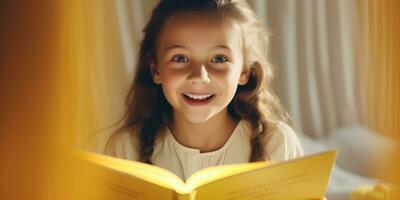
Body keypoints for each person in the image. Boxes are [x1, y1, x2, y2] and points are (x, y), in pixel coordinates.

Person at [104, 0, 304, 181]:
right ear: (156, 69)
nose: (199, 76)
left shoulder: (277, 144)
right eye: (180, 58)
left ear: (244, 72)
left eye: (219, 59)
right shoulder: (125, 149)